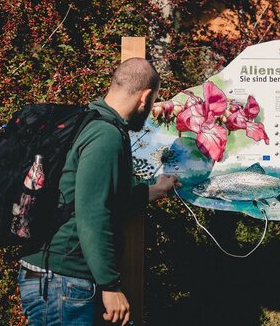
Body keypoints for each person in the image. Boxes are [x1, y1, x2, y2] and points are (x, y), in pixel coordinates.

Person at [18, 58, 181, 325]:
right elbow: (92, 211)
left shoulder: (87, 121)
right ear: (146, 97)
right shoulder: (106, 135)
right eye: (153, 102)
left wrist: (155, 190)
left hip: (54, 277)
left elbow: (105, 197)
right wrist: (110, 285)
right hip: (64, 279)